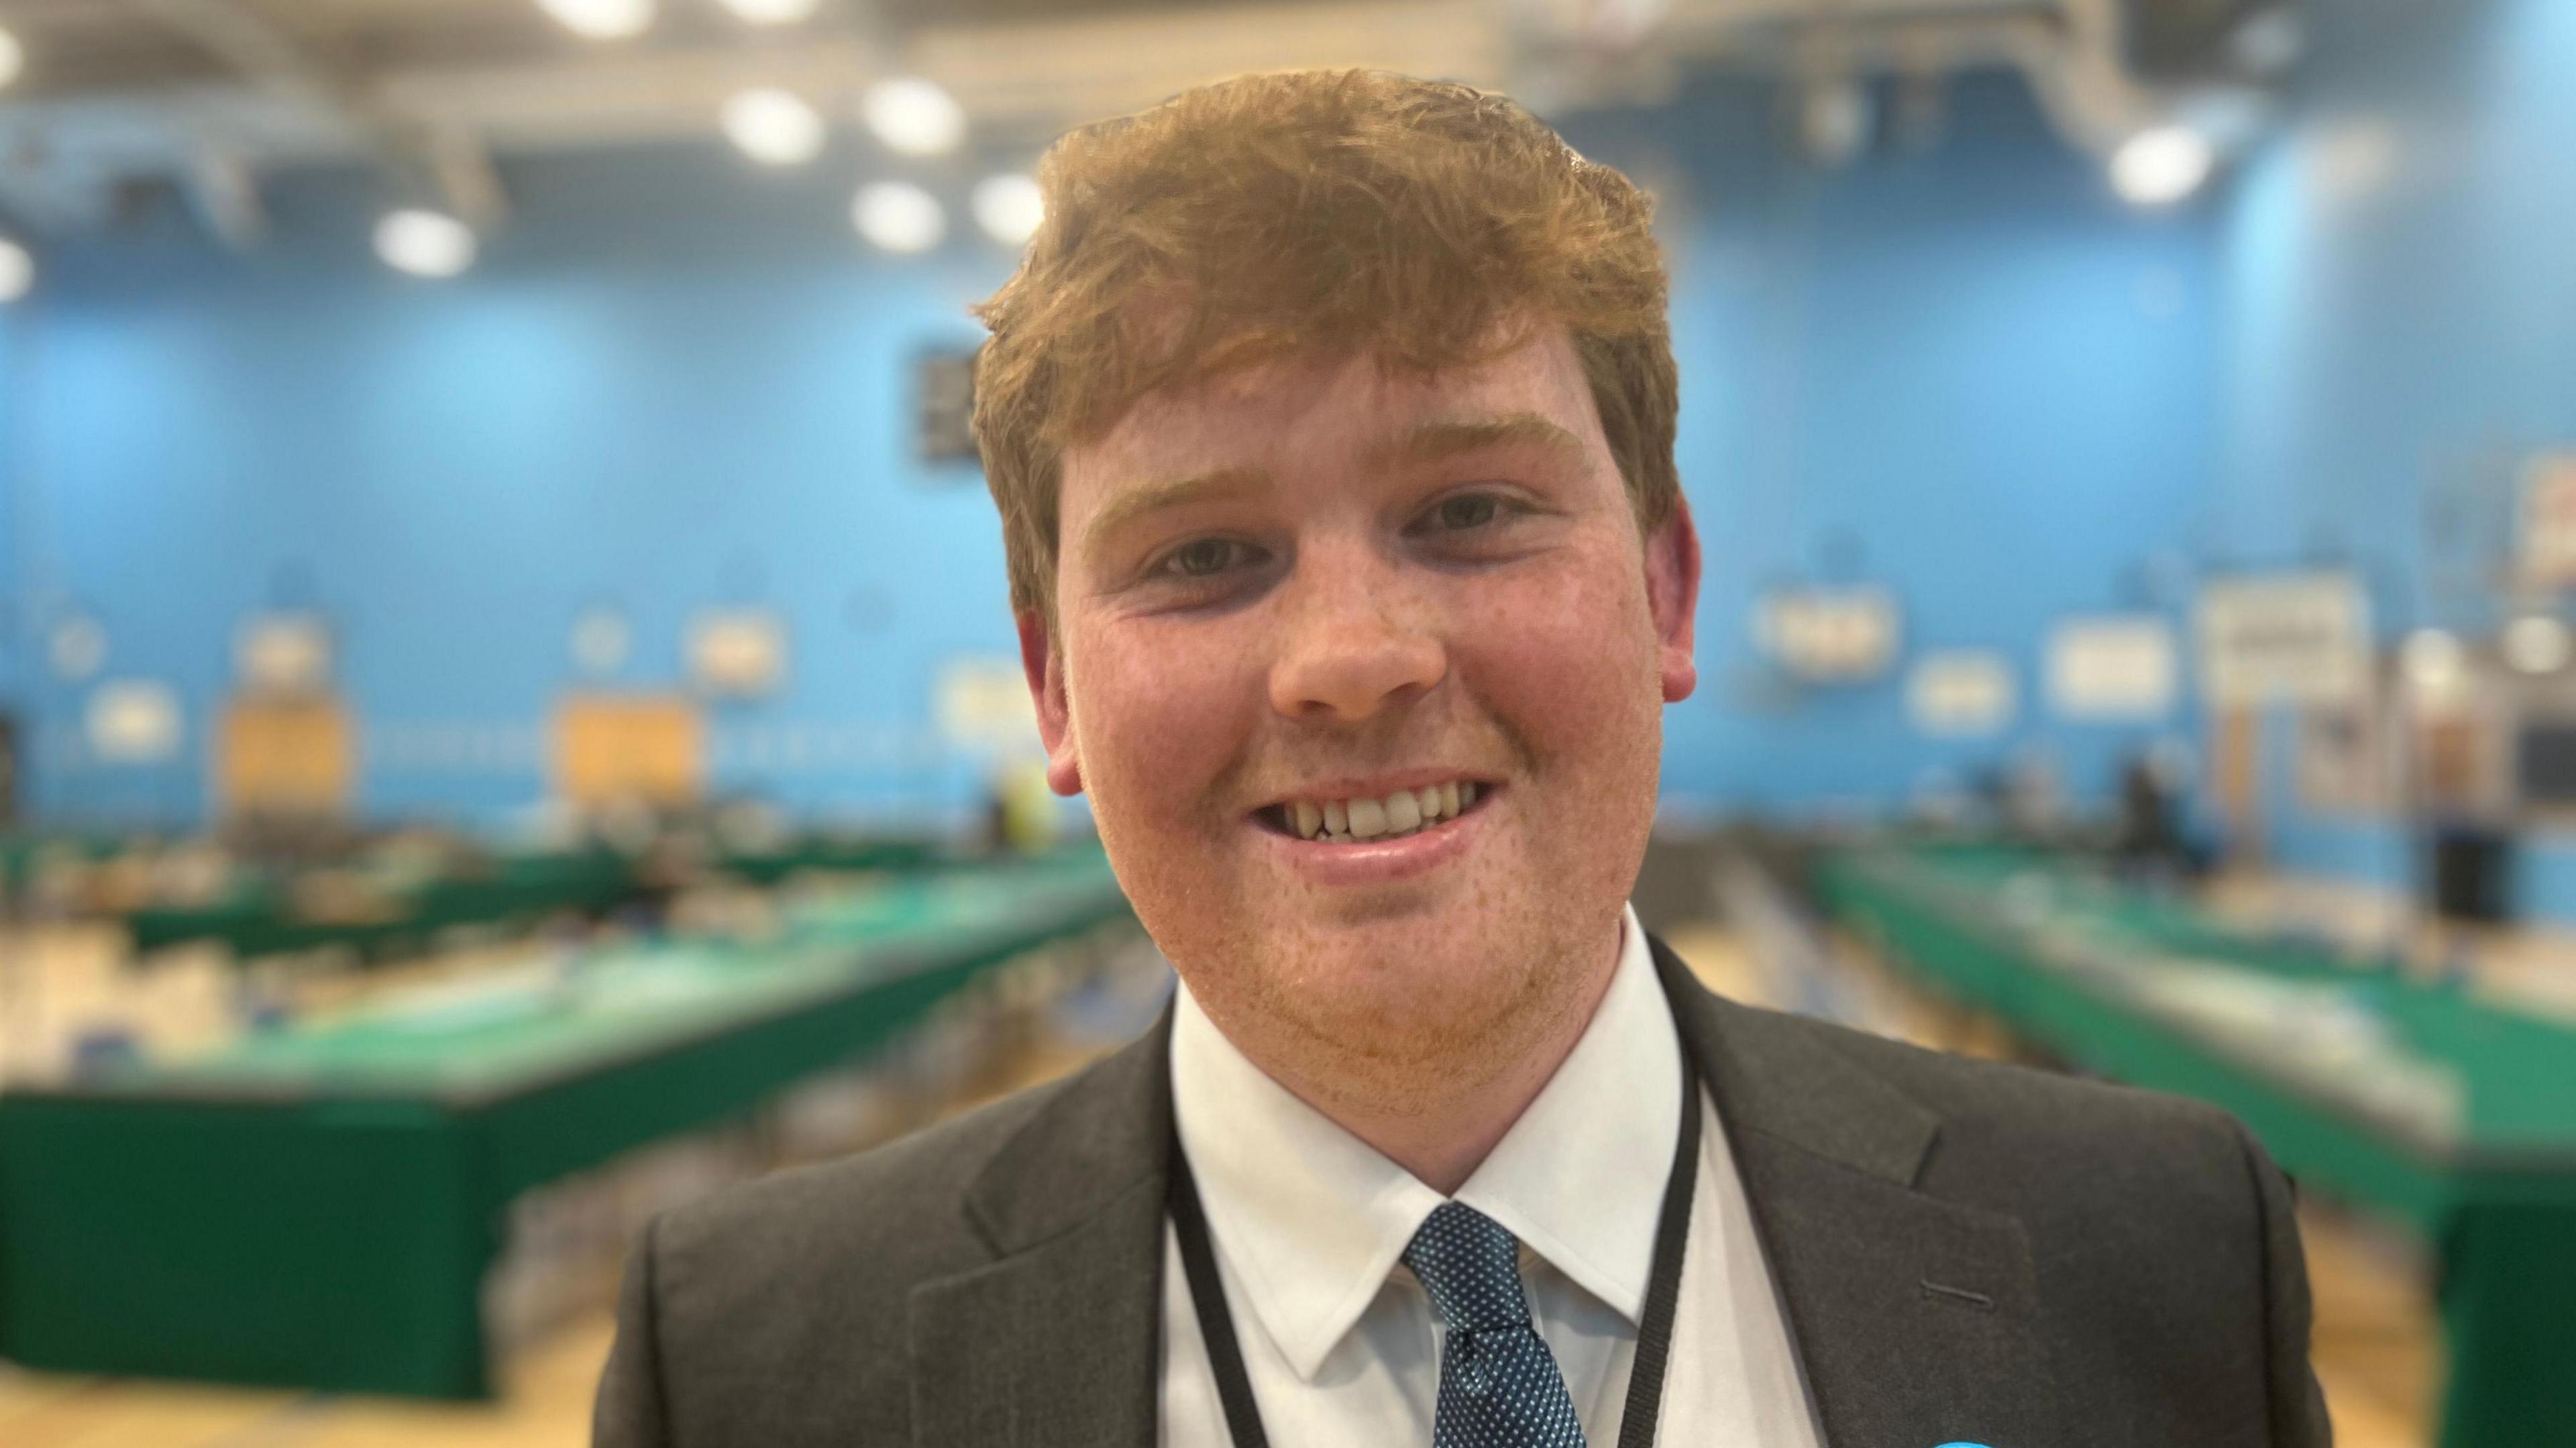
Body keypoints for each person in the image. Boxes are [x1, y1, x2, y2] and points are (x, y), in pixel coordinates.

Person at [594, 69, 2330, 1448]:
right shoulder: (748, 1365)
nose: (1354, 661)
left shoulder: (2158, 1257)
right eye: (1203, 556)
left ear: (1666, 586)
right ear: (1053, 686)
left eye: (1472, 511)